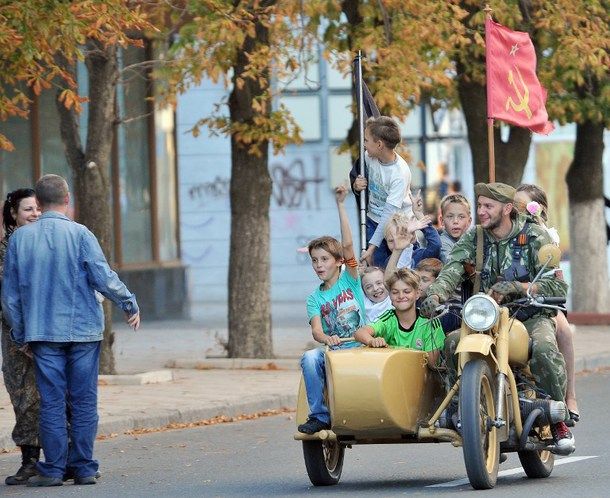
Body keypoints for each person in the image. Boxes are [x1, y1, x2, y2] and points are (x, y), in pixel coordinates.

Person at [1, 174, 141, 487]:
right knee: (83, 401)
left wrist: (21, 334)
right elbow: (103, 277)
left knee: (50, 402)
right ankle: (84, 467)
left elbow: (10, 297)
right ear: (68, 200)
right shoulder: (81, 234)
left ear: (38, 202)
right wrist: (129, 303)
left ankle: (53, 469)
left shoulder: (20, 240)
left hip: (41, 332)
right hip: (83, 331)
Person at [420, 182, 574, 453]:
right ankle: (463, 413)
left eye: (487, 206)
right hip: (487, 317)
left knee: (545, 349)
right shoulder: (475, 238)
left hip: (530, 315)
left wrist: (521, 287)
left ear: (507, 209)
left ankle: (557, 418)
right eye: (479, 205)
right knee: (454, 342)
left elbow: (558, 286)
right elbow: (452, 269)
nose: (481, 211)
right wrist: (435, 295)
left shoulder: (535, 235)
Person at [298, 185, 366, 434]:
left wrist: (340, 204)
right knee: (309, 357)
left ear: (338, 262)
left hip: (360, 348)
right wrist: (327, 338)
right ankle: (319, 415)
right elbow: (316, 331)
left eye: (324, 259)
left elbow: (347, 245)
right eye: (314, 260)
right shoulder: (314, 298)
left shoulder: (350, 279)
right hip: (335, 353)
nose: (318, 264)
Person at [515, 183, 579, 421]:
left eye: (523, 205)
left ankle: (569, 394)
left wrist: (535, 220)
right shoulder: (509, 232)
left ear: (536, 208)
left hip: (544, 301)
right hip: (515, 303)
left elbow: (554, 277)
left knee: (563, 331)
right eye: (515, 204)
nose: (518, 210)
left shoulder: (546, 234)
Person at [1, 189, 41, 485]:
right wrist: (21, 336)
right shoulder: (5, 249)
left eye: (38, 208)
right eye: (28, 209)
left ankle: (64, 460)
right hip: (15, 336)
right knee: (23, 396)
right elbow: (7, 298)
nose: (35, 214)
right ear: (13, 214)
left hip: (48, 332)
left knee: (55, 396)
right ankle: (30, 462)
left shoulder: (47, 243)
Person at [350, 116, 413, 267]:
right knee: (377, 270)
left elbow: (388, 215)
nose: (364, 145)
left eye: (366, 140)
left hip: (396, 225)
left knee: (397, 270)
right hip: (373, 220)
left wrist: (372, 247)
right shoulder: (368, 157)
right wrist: (356, 186)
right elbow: (355, 176)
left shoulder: (399, 174)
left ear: (379, 144)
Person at [354, 268, 444, 367]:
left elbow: (432, 365)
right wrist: (372, 341)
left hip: (422, 377)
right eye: (395, 292)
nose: (401, 296)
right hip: (394, 376)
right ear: (390, 295)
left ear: (417, 293)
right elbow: (360, 333)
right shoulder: (388, 319)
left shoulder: (429, 322)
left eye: (407, 291)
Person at [414, 258, 461, 334]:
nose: (418, 284)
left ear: (438, 282)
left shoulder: (450, 311)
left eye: (425, 280)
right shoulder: (414, 301)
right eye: (416, 279)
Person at [438, 193, 472, 263]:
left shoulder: (473, 239)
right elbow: (453, 265)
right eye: (450, 216)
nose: (455, 221)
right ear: (442, 221)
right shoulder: (442, 243)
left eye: (461, 217)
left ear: (469, 221)